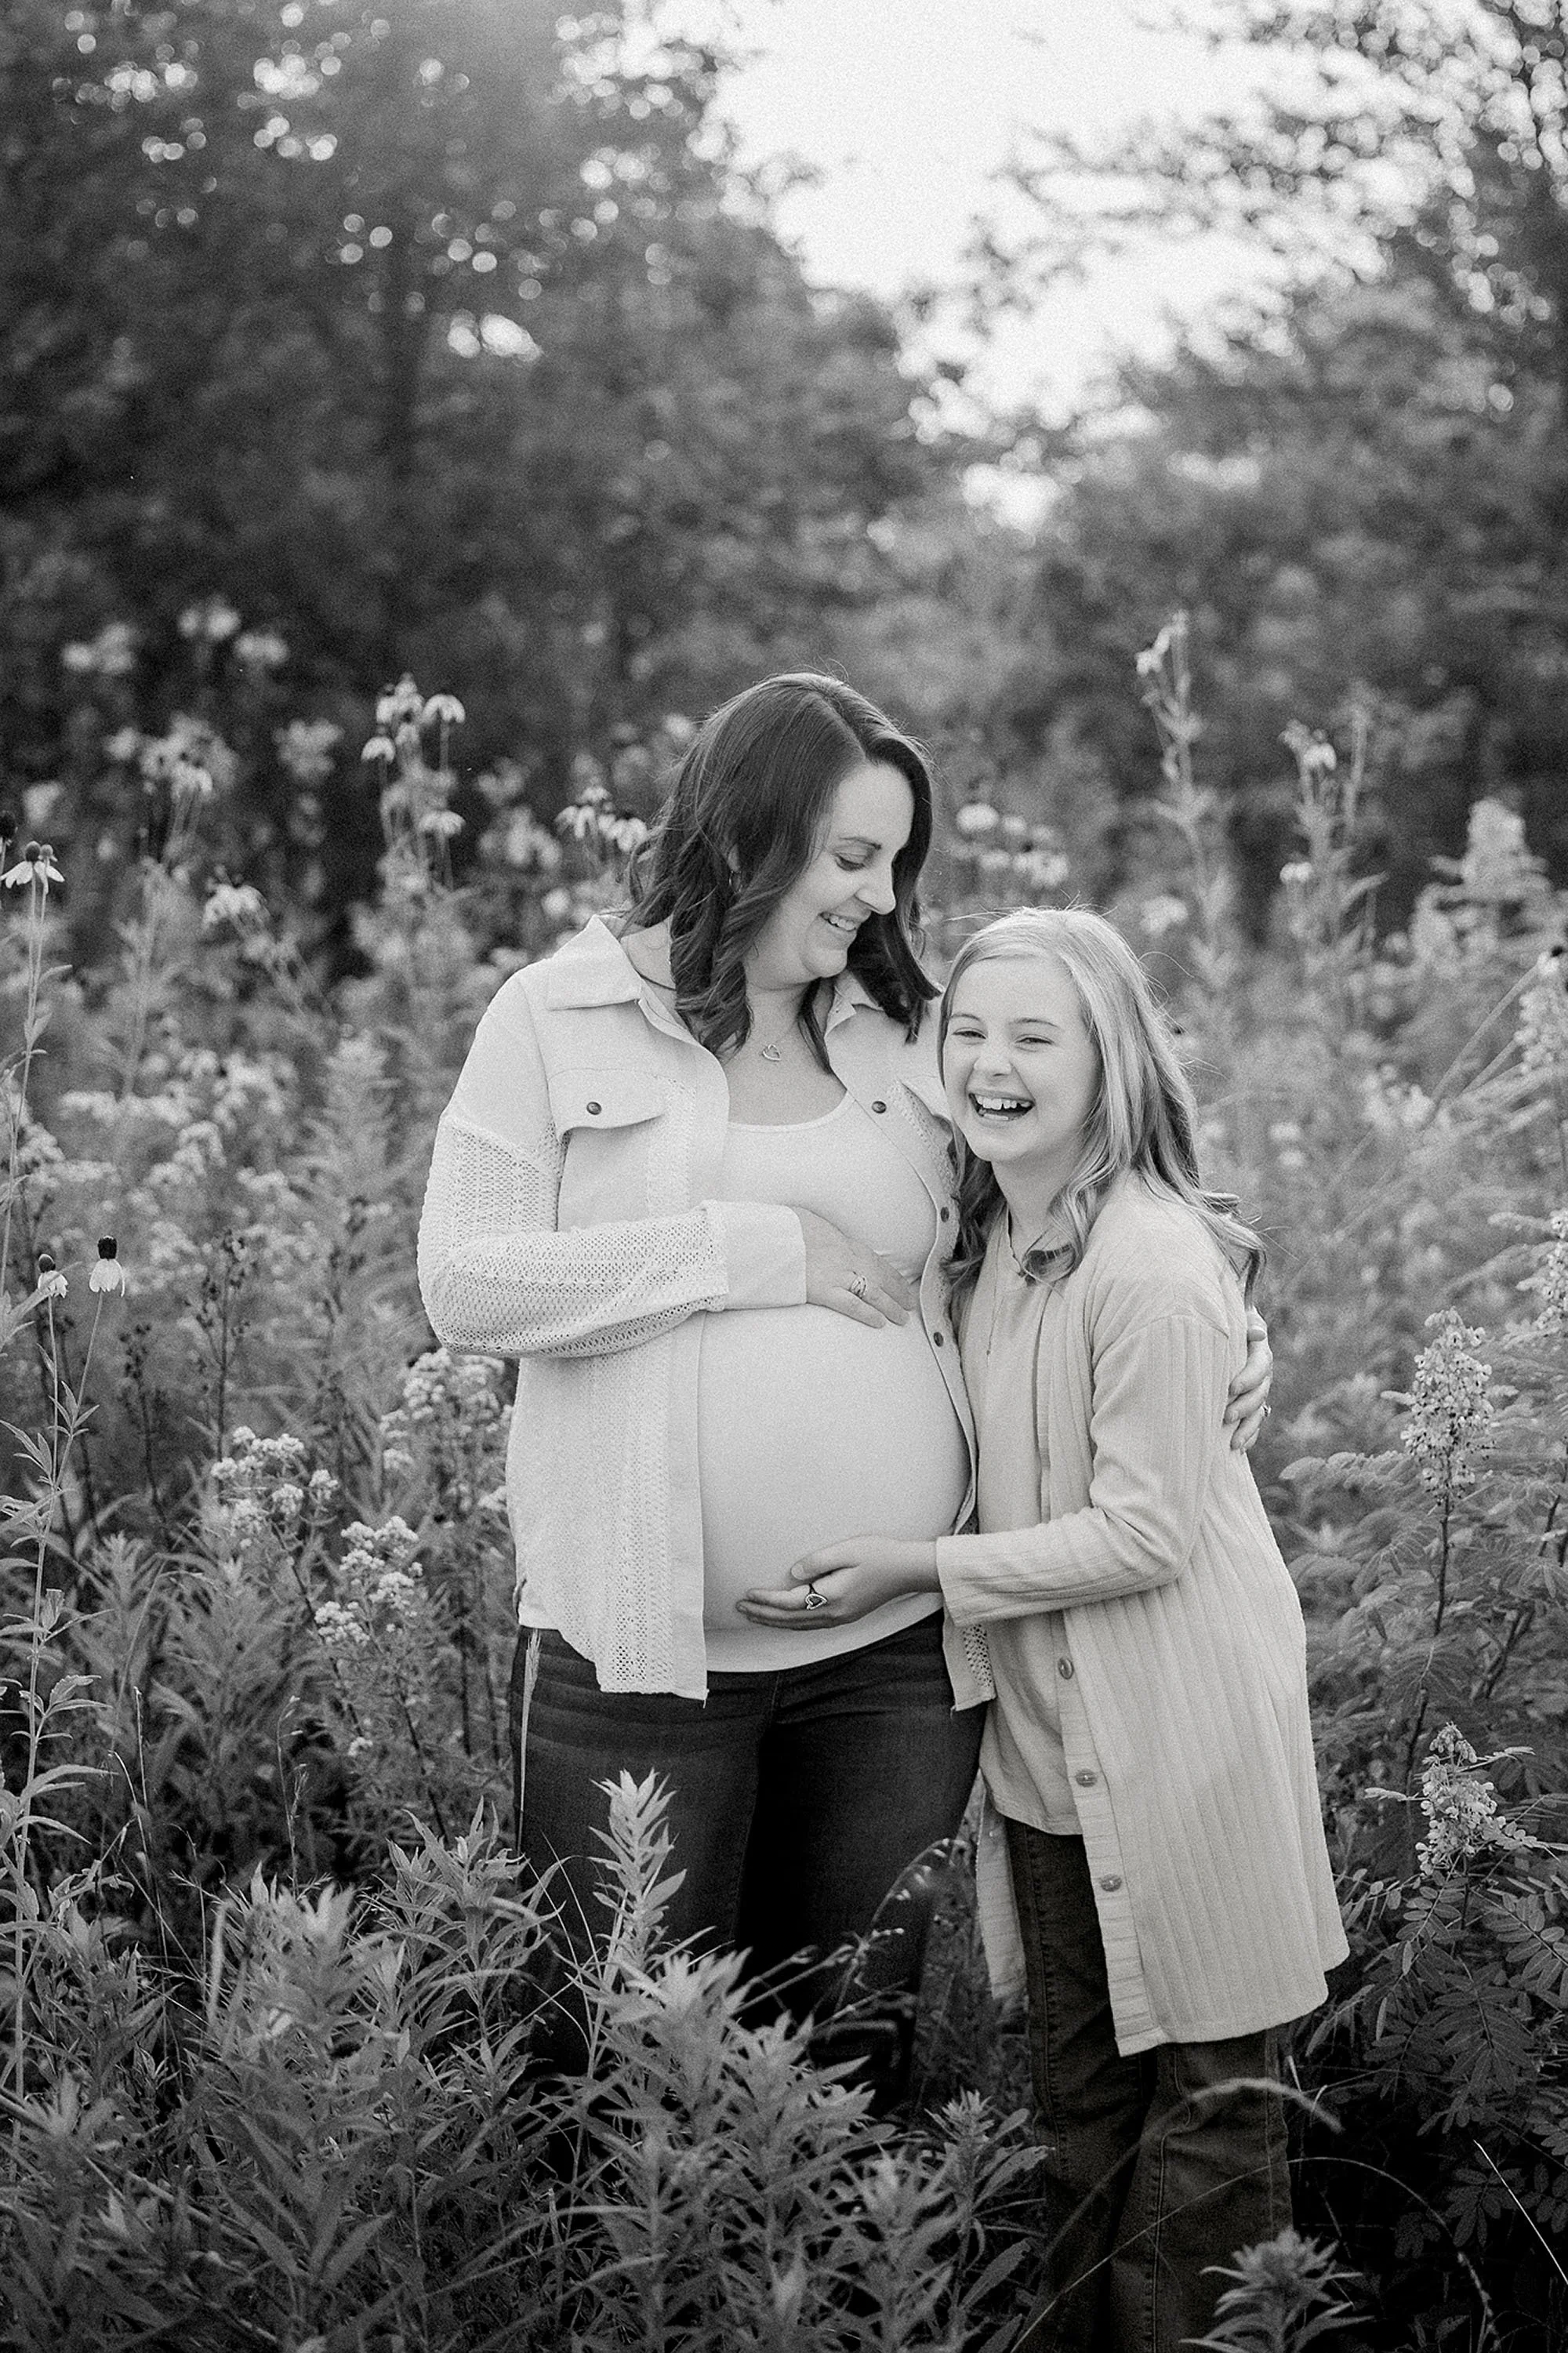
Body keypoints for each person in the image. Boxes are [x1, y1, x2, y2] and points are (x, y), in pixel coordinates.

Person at [417, 679, 1273, 2100]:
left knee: (843, 2067)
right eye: (851, 858)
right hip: (639, 1660)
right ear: (749, 834)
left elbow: (1096, 1194)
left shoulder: (907, 1029)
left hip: (892, 1662)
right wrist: (756, 1250)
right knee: (619, 2066)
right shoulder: (555, 1014)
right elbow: (466, 1284)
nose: (880, 901)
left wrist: (1227, 1321)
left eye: (894, 864)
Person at [741, 906, 1348, 2348]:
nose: (994, 1062)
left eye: (1037, 1036)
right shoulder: (983, 1242)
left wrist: (917, 1568)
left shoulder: (1145, 1263)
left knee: (1209, 2118)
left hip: (1183, 1744)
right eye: (971, 1033)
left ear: (1112, 1062)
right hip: (1056, 1761)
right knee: (1079, 2115)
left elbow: (1149, 1532)